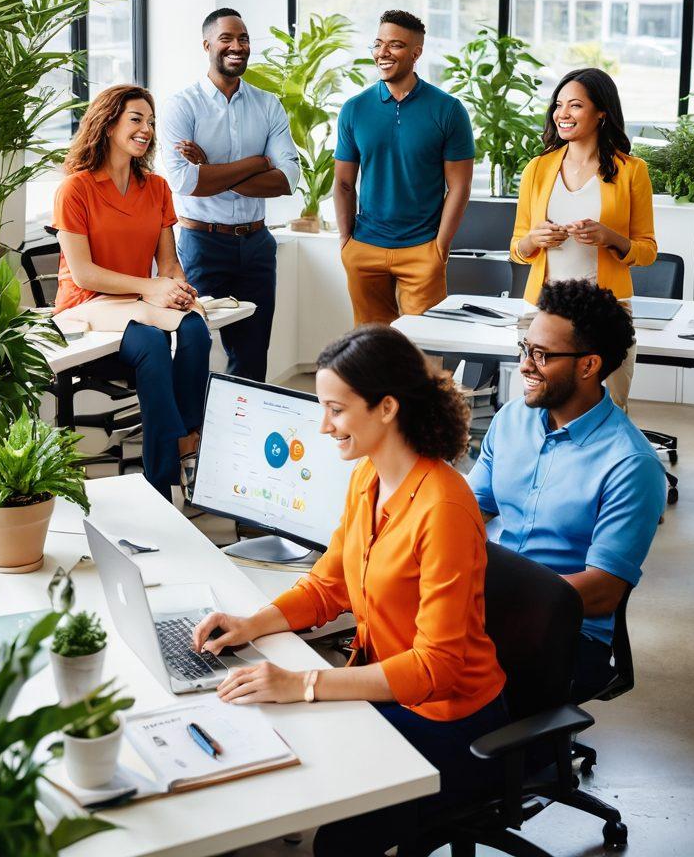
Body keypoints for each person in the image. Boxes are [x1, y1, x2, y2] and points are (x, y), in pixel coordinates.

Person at [191, 325, 507, 856]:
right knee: (264, 740)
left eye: (335, 410)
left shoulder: (444, 508)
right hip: (386, 689)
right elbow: (328, 584)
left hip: (451, 721)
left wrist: (305, 684)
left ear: (386, 408)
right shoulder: (368, 475)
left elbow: (437, 669)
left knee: (336, 841)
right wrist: (252, 623)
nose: (323, 426)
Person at [467, 279, 666, 704]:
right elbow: (468, 511)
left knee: (444, 685)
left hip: (568, 634)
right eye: (525, 348)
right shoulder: (511, 421)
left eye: (541, 355)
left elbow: (602, 591)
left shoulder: (631, 465)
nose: (524, 365)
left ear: (588, 365)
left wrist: (494, 598)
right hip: (490, 606)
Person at [52, 85, 211, 502]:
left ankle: (187, 439)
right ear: (107, 125)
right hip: (86, 307)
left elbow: (168, 261)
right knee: (153, 345)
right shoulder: (76, 189)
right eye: (136, 119)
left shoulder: (156, 188)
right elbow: (83, 274)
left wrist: (175, 288)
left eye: (150, 121)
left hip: (138, 302)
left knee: (195, 327)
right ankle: (162, 484)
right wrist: (150, 288)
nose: (146, 129)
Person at [160, 8, 300, 382]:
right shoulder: (182, 106)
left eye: (243, 39)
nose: (237, 46)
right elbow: (187, 182)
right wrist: (257, 162)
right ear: (207, 45)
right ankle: (194, 434)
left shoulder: (268, 105)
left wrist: (211, 168)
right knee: (192, 344)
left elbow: (287, 179)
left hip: (256, 244)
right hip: (201, 242)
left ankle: (242, 433)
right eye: (227, 38)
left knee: (253, 351)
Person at [511, 66, 656, 408]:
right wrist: (535, 239)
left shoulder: (632, 171)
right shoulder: (537, 168)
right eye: (559, 105)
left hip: (607, 310)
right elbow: (518, 248)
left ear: (601, 112)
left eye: (575, 105)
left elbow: (647, 250)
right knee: (541, 407)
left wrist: (611, 237)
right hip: (545, 308)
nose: (562, 114)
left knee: (610, 407)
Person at [333, 10, 476, 327]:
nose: (382, 53)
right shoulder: (354, 109)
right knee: (371, 349)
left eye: (395, 45)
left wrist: (440, 247)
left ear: (416, 53)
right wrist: (347, 243)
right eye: (378, 43)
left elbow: (460, 187)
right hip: (365, 247)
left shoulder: (448, 111)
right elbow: (343, 184)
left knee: (423, 348)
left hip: (422, 249)